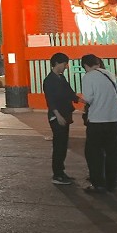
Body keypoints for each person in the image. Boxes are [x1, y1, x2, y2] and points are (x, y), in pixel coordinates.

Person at [79, 54, 117, 194]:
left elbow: (88, 98)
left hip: (97, 120)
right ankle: (111, 183)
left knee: (93, 152)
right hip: (114, 118)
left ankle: (98, 183)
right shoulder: (110, 75)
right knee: (111, 152)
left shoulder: (88, 77)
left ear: (86, 65)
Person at [43, 52, 78, 185]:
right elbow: (50, 101)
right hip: (57, 117)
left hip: (65, 115)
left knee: (63, 145)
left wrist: (81, 100)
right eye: (64, 64)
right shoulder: (49, 80)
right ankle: (57, 174)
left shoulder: (61, 78)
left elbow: (70, 93)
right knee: (59, 145)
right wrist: (57, 115)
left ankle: (61, 172)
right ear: (57, 63)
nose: (66, 67)